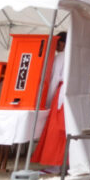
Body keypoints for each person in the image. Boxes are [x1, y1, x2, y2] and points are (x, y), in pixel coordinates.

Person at [32, 32, 67, 170]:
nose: (56, 47)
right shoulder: (77, 55)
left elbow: (53, 79)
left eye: (58, 44)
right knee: (66, 130)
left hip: (61, 94)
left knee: (55, 129)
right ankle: (65, 164)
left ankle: (55, 164)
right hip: (74, 95)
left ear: (63, 43)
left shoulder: (61, 57)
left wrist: (47, 99)